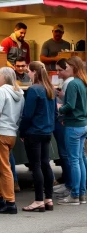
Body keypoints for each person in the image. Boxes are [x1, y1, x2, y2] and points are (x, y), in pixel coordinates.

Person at [0, 67, 24, 215]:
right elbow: (20, 115)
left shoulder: (1, 91)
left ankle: (10, 202)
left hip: (0, 133)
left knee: (3, 168)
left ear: (6, 77)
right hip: (11, 133)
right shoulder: (19, 93)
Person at [19, 61, 56, 212]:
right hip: (47, 131)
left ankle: (38, 200)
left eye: (28, 71)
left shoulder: (34, 90)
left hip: (34, 132)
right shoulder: (50, 88)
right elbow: (54, 112)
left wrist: (22, 131)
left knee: (36, 166)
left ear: (34, 72)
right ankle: (48, 198)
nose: (27, 73)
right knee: (45, 164)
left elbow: (27, 115)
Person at [57, 56, 87, 206]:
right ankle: (81, 193)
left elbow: (70, 105)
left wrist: (59, 109)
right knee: (80, 159)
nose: (65, 69)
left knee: (74, 160)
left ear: (74, 68)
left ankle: (75, 195)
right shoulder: (82, 82)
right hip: (82, 124)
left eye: (67, 67)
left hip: (74, 125)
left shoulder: (74, 83)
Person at [53, 59, 73, 198]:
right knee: (69, 155)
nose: (58, 73)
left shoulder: (69, 83)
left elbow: (70, 104)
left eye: (60, 70)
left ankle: (71, 185)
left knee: (67, 155)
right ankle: (70, 183)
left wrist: (60, 108)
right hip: (68, 122)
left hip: (65, 122)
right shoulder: (71, 82)